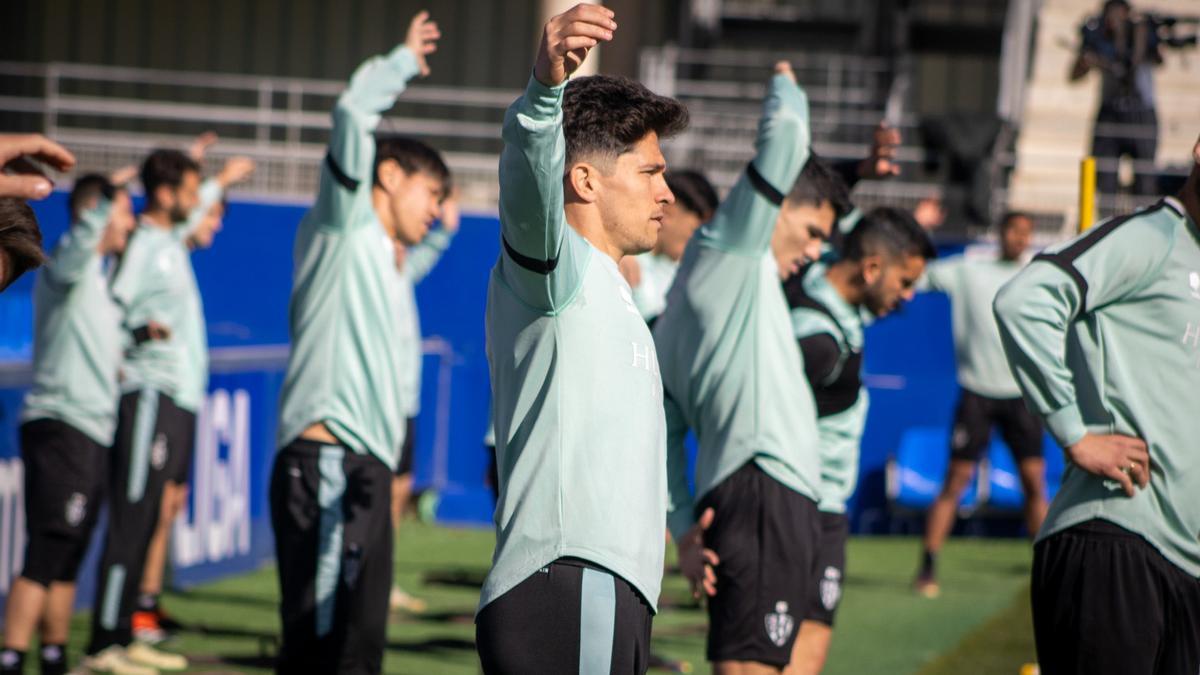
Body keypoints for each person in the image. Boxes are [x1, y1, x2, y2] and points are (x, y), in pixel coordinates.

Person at [475, 5, 689, 673]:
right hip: (570, 582)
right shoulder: (556, 268)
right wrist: (544, 93)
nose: (668, 193)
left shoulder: (610, 287)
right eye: (651, 172)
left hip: (600, 589)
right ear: (586, 179)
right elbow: (525, 190)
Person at [654, 60, 849, 674]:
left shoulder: (686, 301)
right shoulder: (731, 251)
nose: (815, 253)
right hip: (760, 489)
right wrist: (786, 82)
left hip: (761, 493)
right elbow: (787, 134)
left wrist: (684, 529)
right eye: (814, 232)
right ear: (779, 206)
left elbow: (663, 433)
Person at [269, 12, 443, 674]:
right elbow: (349, 112)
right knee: (322, 650)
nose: (434, 210)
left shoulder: (388, 259)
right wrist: (400, 62)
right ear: (389, 175)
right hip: (327, 462)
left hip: (359, 466)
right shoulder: (344, 225)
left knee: (358, 651)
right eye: (431, 191)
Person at [992, 134, 1200, 675]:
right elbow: (1024, 302)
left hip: (1186, 565)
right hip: (1117, 537)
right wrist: (1075, 432)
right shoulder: (1152, 235)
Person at [784, 209, 935, 674]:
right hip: (798, 508)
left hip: (821, 508)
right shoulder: (818, 340)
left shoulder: (827, 287)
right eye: (904, 282)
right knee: (774, 652)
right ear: (871, 269)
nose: (907, 297)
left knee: (809, 634)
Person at [0, 172, 137, 675]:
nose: (131, 222)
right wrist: (104, 199)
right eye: (124, 211)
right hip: (64, 427)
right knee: (48, 550)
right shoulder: (69, 263)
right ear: (97, 213)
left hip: (92, 430)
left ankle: (53, 658)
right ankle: (11, 659)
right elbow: (84, 236)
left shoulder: (97, 278)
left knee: (69, 553)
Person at [132, 140, 256, 645]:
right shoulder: (152, 244)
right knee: (147, 506)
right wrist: (219, 179)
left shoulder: (170, 247)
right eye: (208, 209)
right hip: (155, 393)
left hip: (181, 395)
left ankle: (146, 604)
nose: (212, 220)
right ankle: (130, 614)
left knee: (168, 504)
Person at [913, 211, 1047, 598]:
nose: (1019, 238)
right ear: (1000, 232)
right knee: (955, 481)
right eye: (1013, 230)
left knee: (1034, 483)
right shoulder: (969, 270)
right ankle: (927, 566)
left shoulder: (1037, 274)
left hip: (1021, 394)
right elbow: (919, 271)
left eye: (1026, 232)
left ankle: (1045, 567)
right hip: (976, 393)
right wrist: (922, 227)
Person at [388, 190, 458, 614]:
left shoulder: (399, 270)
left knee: (397, 493)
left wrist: (444, 226)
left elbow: (431, 246)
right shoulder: (363, 265)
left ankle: (380, 580)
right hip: (375, 406)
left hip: (403, 404)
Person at [1071, 0, 1164, 198]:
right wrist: (1090, 58)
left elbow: (1157, 59)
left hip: (1142, 113)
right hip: (1110, 113)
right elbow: (1074, 75)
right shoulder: (1101, 38)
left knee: (1144, 183)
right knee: (1105, 180)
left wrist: (1133, 36)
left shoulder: (1141, 33)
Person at [619, 170, 718, 324]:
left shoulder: (681, 272)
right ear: (668, 212)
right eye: (694, 231)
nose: (697, 244)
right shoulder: (623, 260)